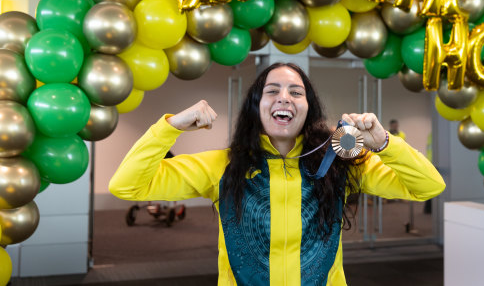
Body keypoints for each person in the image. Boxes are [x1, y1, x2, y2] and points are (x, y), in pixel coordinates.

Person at [109, 62, 445, 285]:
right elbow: (126, 186)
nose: (284, 97)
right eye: (272, 91)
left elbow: (428, 186)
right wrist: (170, 127)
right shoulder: (222, 166)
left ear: (307, 108)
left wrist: (385, 143)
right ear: (257, 106)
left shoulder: (338, 163)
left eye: (296, 92)